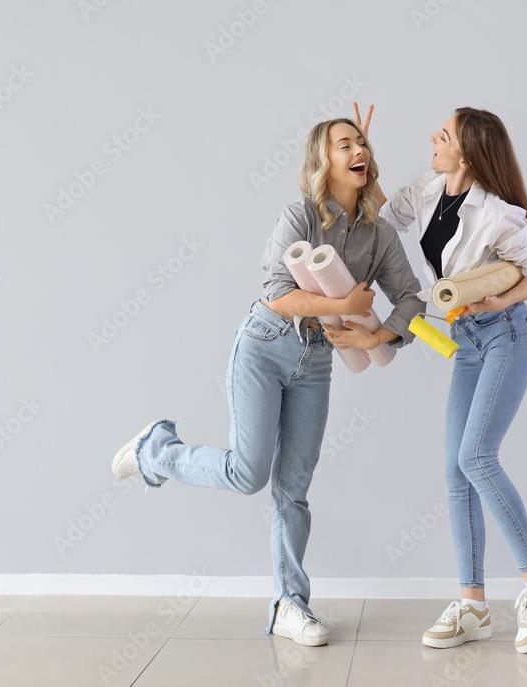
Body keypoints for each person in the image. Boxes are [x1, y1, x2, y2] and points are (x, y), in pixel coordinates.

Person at [111, 117, 424, 646]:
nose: (359, 150)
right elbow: (279, 293)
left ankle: (289, 605)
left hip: (319, 358)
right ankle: (154, 452)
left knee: (293, 489)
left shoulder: (381, 234)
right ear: (323, 161)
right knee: (247, 473)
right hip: (265, 344)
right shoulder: (299, 215)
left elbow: (412, 298)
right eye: (344, 144)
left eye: (362, 142)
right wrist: (344, 305)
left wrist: (378, 340)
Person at [358, 103, 527, 653]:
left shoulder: (501, 214)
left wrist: (502, 297)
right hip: (468, 345)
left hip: (509, 336)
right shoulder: (429, 190)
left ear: (469, 149)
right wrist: (363, 153)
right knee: (457, 472)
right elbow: (384, 214)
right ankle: (474, 606)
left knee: (477, 457)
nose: (434, 135)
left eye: (445, 132)